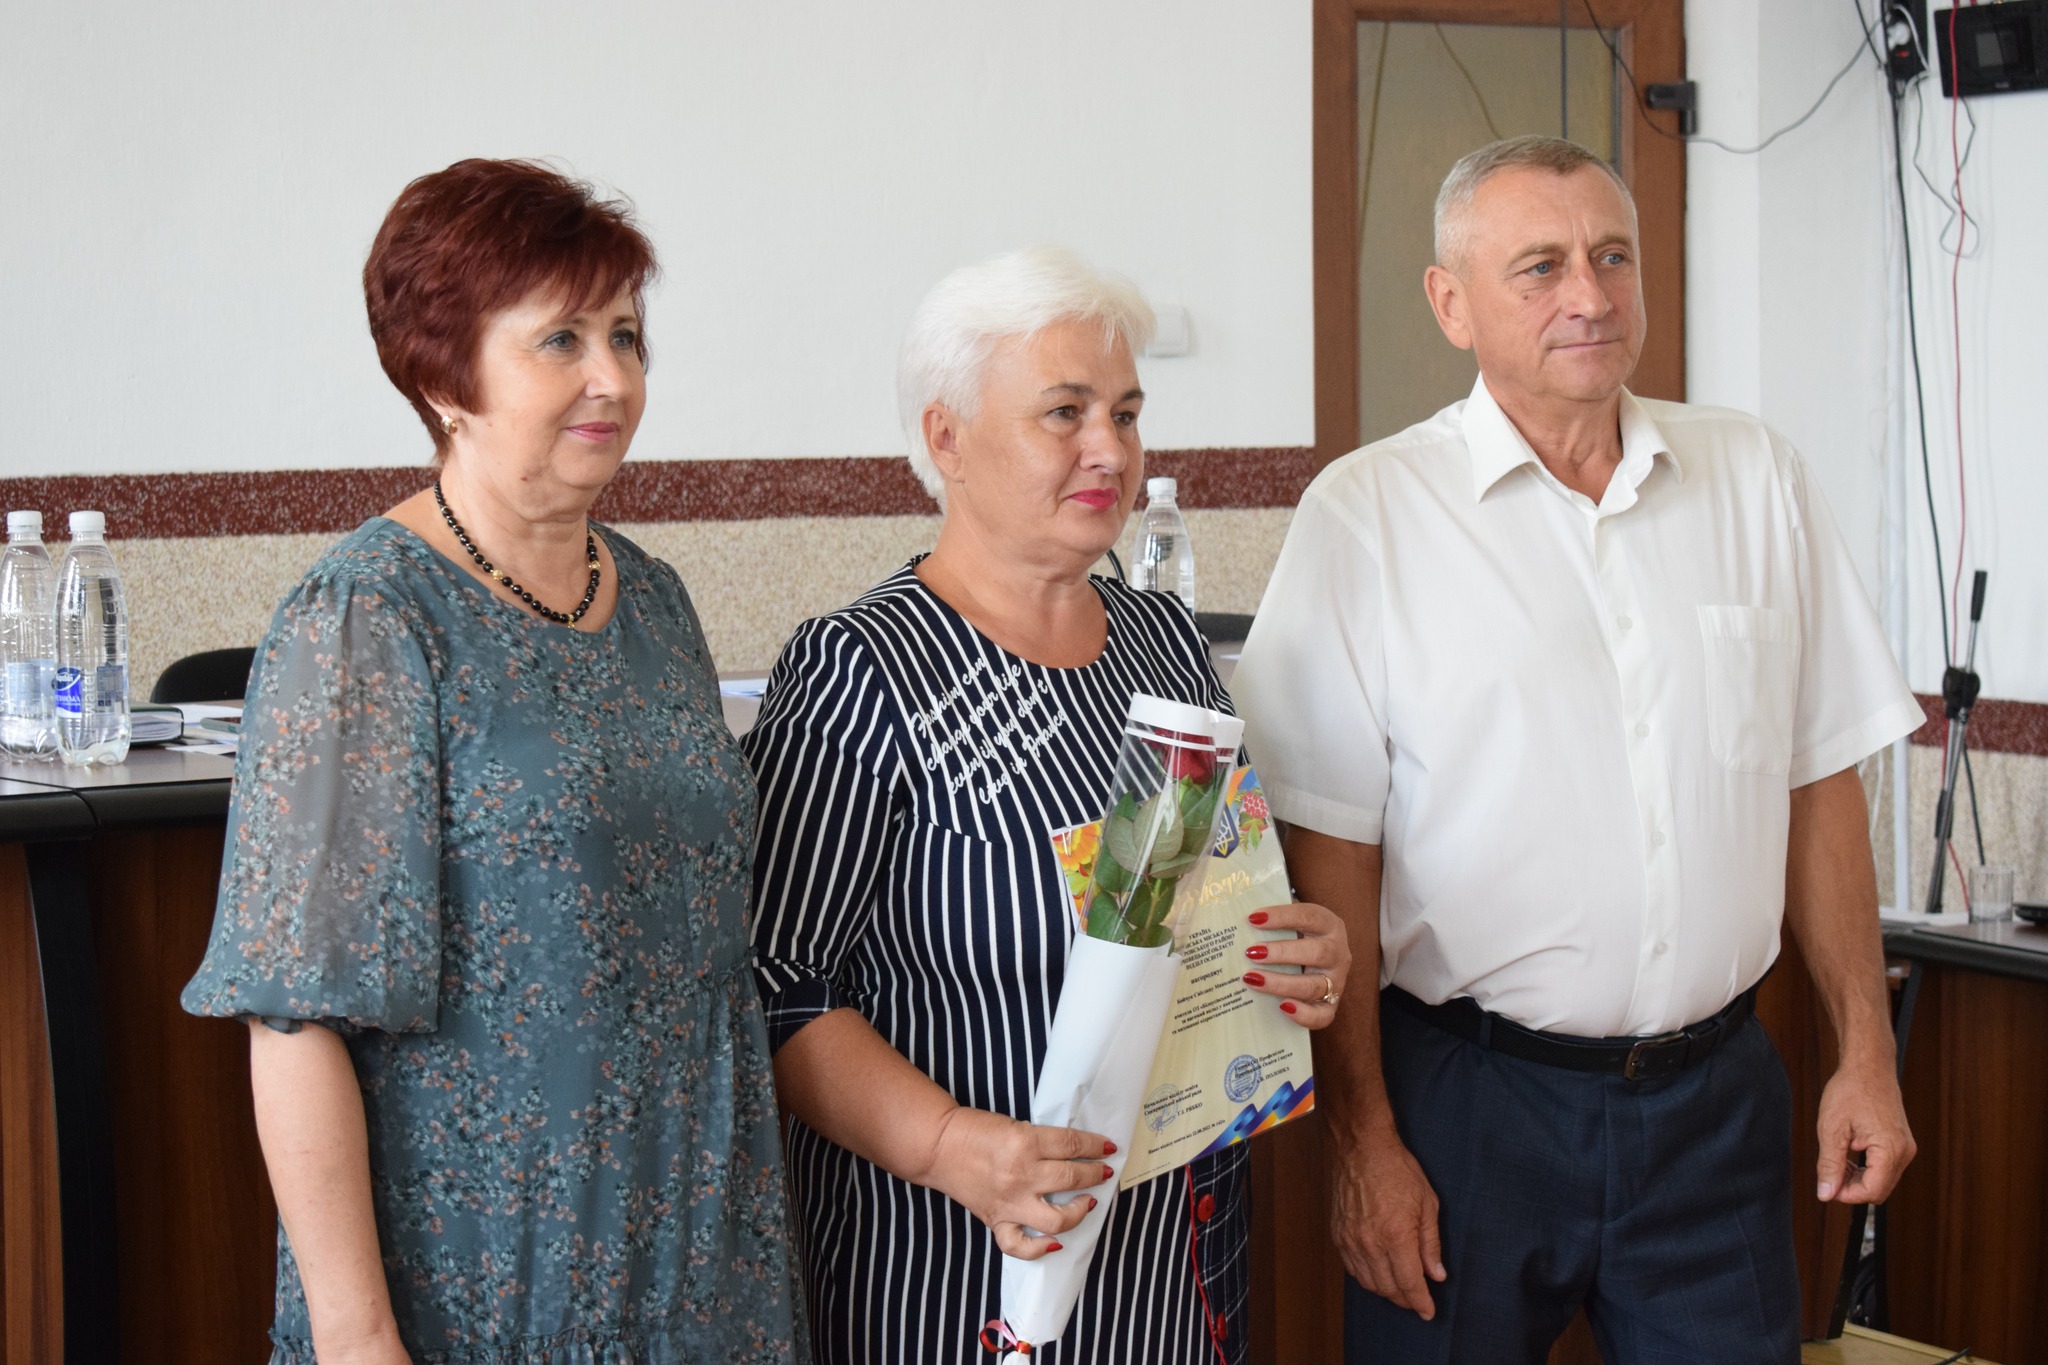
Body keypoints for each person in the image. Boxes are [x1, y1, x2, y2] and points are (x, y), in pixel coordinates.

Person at [1232, 135, 1924, 1365]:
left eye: (1611, 257)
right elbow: (1329, 857)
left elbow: (1818, 785)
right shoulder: (1368, 513)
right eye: (1538, 267)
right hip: (1465, 1110)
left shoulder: (1753, 478)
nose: (1588, 297)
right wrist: (1362, 1141)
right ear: (1450, 303)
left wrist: (1864, 1054)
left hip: (1716, 1106)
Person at [181, 159, 806, 1365]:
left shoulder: (655, 600)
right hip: (481, 1287)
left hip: (702, 1273)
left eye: (625, 335)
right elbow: (295, 1018)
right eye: (559, 339)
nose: (611, 377)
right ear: (443, 377)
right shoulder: (367, 617)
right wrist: (358, 1339)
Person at [742, 246, 1351, 1364]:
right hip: (952, 1269)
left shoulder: (1165, 643)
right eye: (1063, 413)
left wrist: (1297, 949)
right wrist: (950, 1146)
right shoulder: (861, 668)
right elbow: (780, 987)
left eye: (1126, 413)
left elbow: (1213, 899)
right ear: (946, 438)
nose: (1108, 450)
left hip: (1175, 1263)